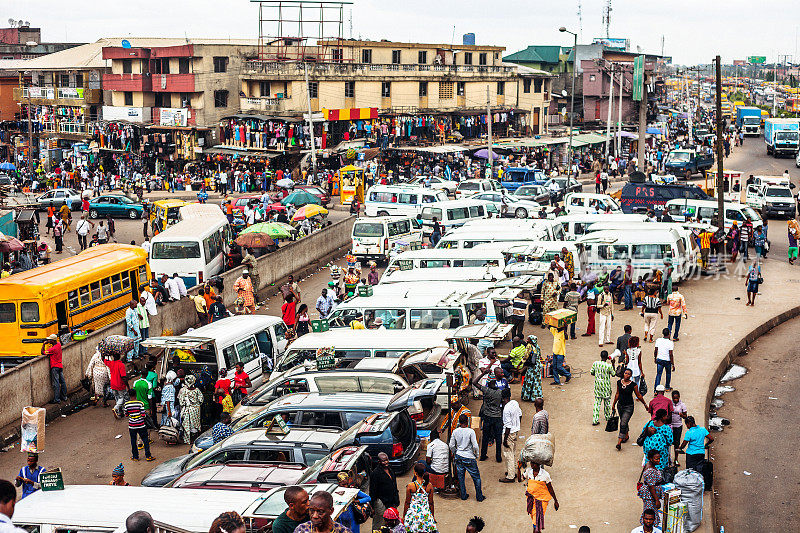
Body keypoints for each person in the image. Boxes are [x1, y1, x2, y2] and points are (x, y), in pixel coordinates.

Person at [449, 413, 484, 501]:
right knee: (476, 478)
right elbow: (475, 446)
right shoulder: (470, 431)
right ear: (467, 422)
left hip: (459, 456)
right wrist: (476, 455)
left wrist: (455, 452)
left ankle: (463, 496)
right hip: (469, 456)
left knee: (461, 477)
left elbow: (451, 445)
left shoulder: (455, 431)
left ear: (459, 422)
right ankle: (479, 497)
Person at [612, 368, 648, 450]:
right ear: (623, 374)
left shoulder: (633, 385)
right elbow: (617, 394)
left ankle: (619, 442)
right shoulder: (619, 383)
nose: (626, 375)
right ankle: (626, 435)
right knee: (623, 421)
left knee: (623, 423)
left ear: (631, 376)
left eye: (628, 374)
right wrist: (614, 404)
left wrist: (645, 404)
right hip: (620, 405)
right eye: (625, 373)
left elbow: (638, 395)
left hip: (629, 407)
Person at [472, 367, 503, 463]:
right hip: (497, 417)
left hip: (487, 417)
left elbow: (474, 382)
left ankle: (483, 455)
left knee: (485, 437)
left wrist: (482, 374)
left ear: (489, 383)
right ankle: (498, 457)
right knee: (498, 438)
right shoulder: (500, 392)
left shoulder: (486, 390)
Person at [521, 462, 559, 532]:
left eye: (534, 463)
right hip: (531, 500)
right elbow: (520, 479)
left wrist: (555, 501)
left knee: (536, 526)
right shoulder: (529, 471)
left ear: (539, 464)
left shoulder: (545, 475)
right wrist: (518, 467)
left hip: (542, 500)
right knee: (535, 524)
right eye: (531, 463)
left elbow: (550, 488)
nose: (532, 465)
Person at [370, 452, 400, 531]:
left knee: (392, 522)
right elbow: (372, 491)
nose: (386, 462)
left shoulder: (391, 469)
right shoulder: (375, 473)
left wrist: (397, 499)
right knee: (379, 523)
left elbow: (394, 485)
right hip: (381, 502)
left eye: (387, 460)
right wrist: (372, 506)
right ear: (379, 462)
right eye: (383, 461)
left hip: (392, 500)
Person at [402, 463, 436, 532]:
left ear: (415, 473)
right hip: (425, 515)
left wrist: (404, 516)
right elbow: (431, 503)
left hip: (413, 516)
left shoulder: (410, 486)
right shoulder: (429, 486)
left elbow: (407, 503)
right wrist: (432, 516)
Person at [124, 387, 154, 462]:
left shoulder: (126, 405)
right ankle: (148, 456)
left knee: (133, 441)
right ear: (135, 394)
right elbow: (143, 415)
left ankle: (135, 456)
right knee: (145, 440)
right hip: (141, 425)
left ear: (129, 395)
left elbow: (126, 415)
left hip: (132, 426)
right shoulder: (140, 403)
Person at [500, 388, 522, 482]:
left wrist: (505, 440)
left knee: (508, 454)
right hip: (515, 431)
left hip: (508, 433)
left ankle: (510, 476)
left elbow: (508, 426)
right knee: (512, 452)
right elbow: (520, 415)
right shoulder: (515, 403)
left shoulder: (506, 409)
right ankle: (512, 471)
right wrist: (517, 425)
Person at [638, 450, 664, 525]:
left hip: (651, 494)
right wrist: (657, 500)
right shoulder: (650, 471)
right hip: (650, 495)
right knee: (649, 513)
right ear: (650, 459)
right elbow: (651, 486)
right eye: (656, 459)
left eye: (659, 458)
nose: (658, 460)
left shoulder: (649, 464)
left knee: (651, 512)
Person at [590, 350, 615, 426]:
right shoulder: (608, 366)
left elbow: (592, 372)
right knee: (607, 403)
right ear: (607, 357)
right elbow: (613, 374)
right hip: (606, 387)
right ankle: (607, 417)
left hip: (598, 386)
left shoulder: (596, 364)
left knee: (597, 403)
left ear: (600, 356)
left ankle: (595, 420)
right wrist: (613, 363)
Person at [177, 374, 203, 444]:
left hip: (187, 410)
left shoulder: (184, 391)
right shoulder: (197, 390)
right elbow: (201, 400)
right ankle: (195, 440)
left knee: (187, 424)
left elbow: (181, 402)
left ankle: (188, 440)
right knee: (195, 425)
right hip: (196, 410)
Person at [43, 334, 67, 404]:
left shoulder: (53, 349)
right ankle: (64, 396)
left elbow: (43, 352)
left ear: (53, 340)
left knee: (56, 383)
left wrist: (44, 344)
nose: (48, 341)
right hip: (60, 366)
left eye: (49, 340)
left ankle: (57, 399)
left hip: (55, 367)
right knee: (62, 382)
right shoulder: (58, 344)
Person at [520, 336, 543, 402]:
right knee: (536, 380)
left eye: (528, 339)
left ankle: (527, 396)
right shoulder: (537, 346)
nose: (526, 340)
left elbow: (525, 356)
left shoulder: (529, 346)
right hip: (538, 365)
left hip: (532, 366)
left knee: (529, 380)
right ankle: (536, 396)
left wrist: (520, 363)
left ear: (531, 341)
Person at [106, 353, 128, 418]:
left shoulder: (111, 363)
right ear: (119, 357)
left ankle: (119, 412)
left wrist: (106, 354)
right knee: (122, 398)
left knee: (117, 398)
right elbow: (123, 377)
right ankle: (116, 408)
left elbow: (103, 359)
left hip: (113, 384)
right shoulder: (121, 365)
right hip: (120, 384)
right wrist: (128, 386)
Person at [670, 390, 687, 463]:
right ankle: (668, 459)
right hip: (670, 426)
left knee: (677, 444)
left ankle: (676, 459)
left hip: (678, 426)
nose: (675, 399)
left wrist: (681, 415)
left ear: (679, 397)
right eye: (674, 398)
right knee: (669, 442)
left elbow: (685, 416)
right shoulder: (670, 404)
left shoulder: (682, 405)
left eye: (676, 398)